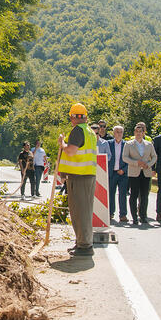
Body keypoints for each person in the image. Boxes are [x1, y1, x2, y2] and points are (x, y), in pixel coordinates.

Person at [57, 103, 98, 256]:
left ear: (73, 117)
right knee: (83, 211)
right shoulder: (89, 132)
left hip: (79, 177)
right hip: (85, 175)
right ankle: (82, 242)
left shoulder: (77, 131)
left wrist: (62, 143)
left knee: (80, 212)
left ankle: (85, 245)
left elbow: (71, 151)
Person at [122, 122, 158, 225]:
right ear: (134, 132)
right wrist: (136, 163)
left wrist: (149, 164)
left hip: (146, 172)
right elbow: (125, 157)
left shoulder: (148, 144)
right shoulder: (129, 144)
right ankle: (134, 217)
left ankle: (143, 216)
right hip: (134, 172)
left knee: (144, 195)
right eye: (136, 131)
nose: (138, 133)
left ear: (143, 133)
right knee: (133, 195)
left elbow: (155, 156)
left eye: (140, 131)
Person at [107, 125, 130, 223]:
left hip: (123, 173)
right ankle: (110, 213)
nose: (119, 133)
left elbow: (130, 159)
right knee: (111, 193)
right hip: (112, 172)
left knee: (122, 194)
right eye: (117, 131)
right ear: (113, 133)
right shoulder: (108, 143)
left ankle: (123, 215)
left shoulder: (127, 145)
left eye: (120, 132)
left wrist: (124, 170)